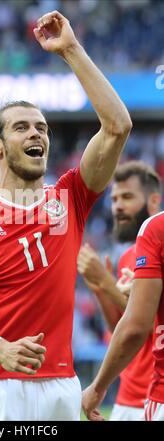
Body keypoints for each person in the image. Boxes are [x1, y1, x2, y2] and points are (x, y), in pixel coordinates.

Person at [0, 10, 132, 421]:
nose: (36, 135)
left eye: (42, 128)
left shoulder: (69, 199)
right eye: (22, 128)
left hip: (61, 386)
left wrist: (71, 50)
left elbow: (117, 126)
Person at [78, 161, 161, 420]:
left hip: (149, 393)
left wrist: (106, 283)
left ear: (153, 200)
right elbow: (118, 326)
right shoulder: (127, 257)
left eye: (127, 197)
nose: (118, 206)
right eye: (114, 199)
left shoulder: (155, 238)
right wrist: (100, 290)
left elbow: (144, 322)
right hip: (127, 393)